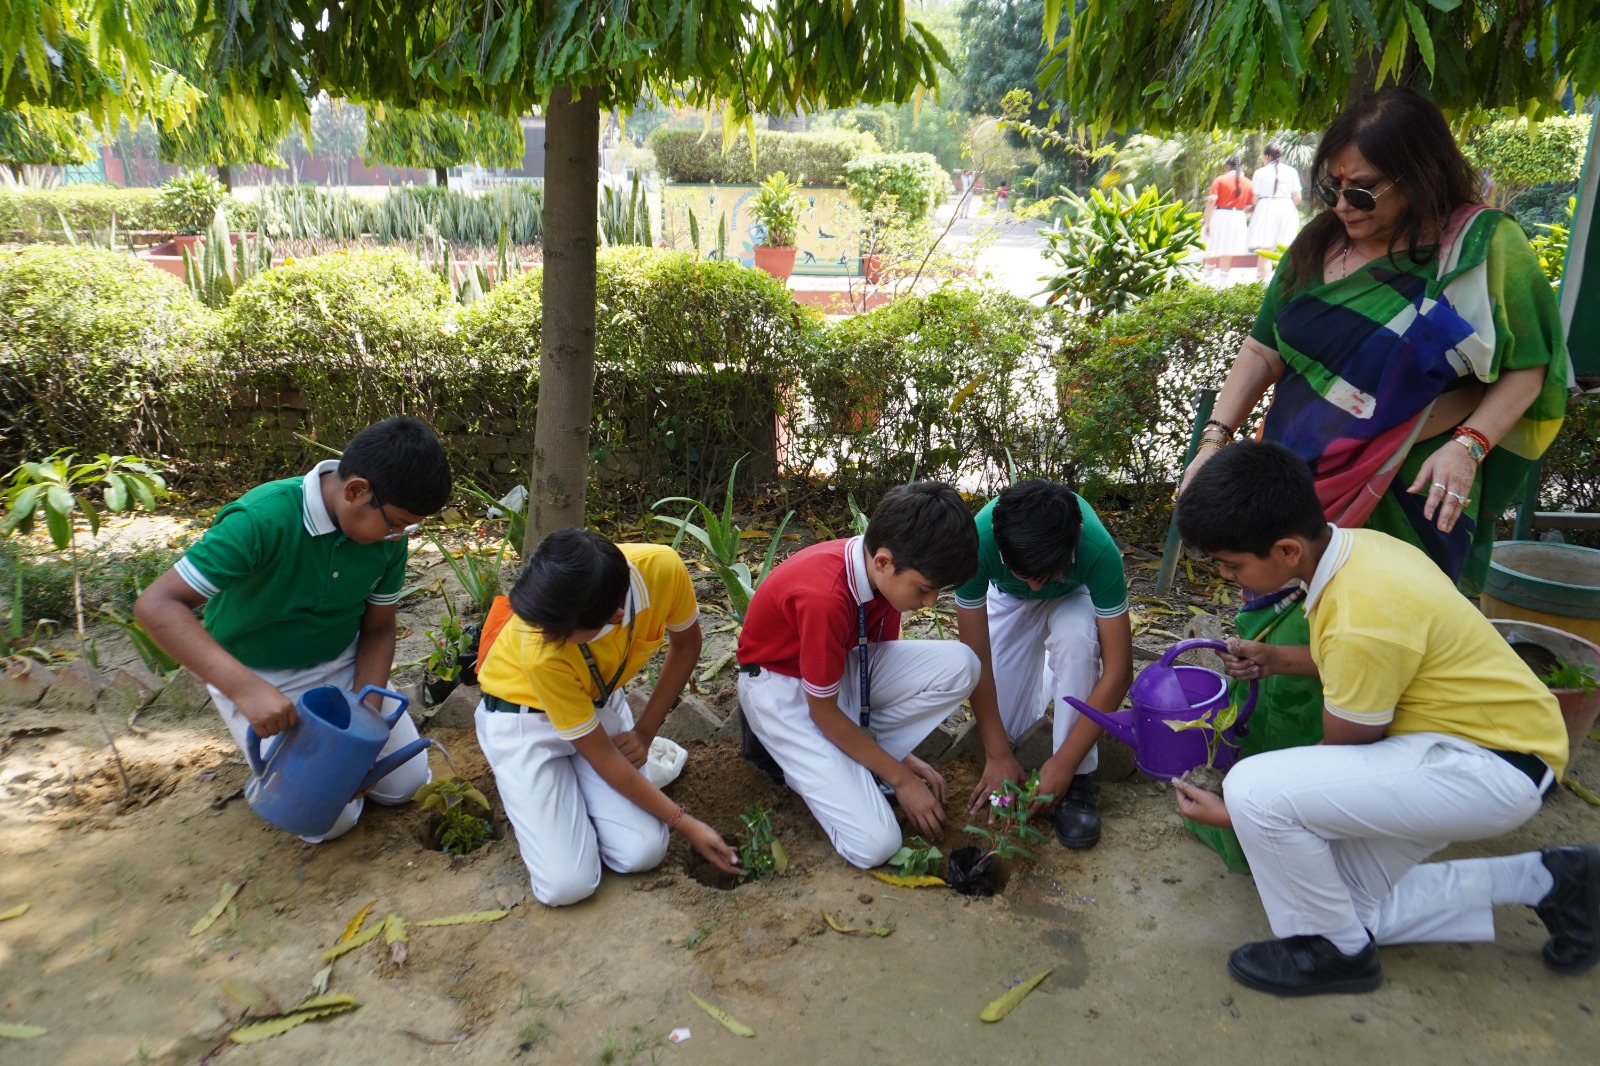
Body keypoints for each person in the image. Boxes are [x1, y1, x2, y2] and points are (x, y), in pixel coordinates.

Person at [1177, 87, 1570, 871]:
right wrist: (1215, 439)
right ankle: (1266, 804)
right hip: (1294, 479)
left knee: (1369, 653)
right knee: (1274, 638)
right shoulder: (1317, 244)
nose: (1343, 205)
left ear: (1420, 176)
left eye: (1363, 191)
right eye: (1333, 185)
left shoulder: (1480, 249)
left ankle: (1324, 823)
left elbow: (1529, 369)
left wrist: (1469, 445)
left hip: (1409, 492)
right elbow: (1263, 348)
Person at [1173, 440, 1598, 996]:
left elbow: (1342, 751)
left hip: (1488, 766)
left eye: (1233, 565)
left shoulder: (1360, 615)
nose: (1228, 576)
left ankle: (1335, 954)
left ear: (1287, 550)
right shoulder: (1360, 550)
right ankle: (1555, 879)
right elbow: (1370, 658)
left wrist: (1240, 817)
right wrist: (1276, 659)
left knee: (1254, 789)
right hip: (1483, 743)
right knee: (1346, 908)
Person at [136, 416, 452, 841]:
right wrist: (246, 690)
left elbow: (378, 630)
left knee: (404, 786)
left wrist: (366, 713)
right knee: (329, 821)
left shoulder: (385, 539)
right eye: (396, 523)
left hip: (345, 668)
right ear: (356, 491)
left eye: (408, 528)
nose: (400, 537)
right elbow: (157, 605)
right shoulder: (262, 520)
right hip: (263, 678)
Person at [474, 529, 740, 906]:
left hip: (595, 705)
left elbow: (686, 645)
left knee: (643, 852)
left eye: (560, 631)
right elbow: (602, 756)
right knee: (568, 886)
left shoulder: (662, 569)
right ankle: (540, 789)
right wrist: (686, 823)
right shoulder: (541, 644)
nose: (541, 632)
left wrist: (644, 732)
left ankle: (569, 795)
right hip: (524, 721)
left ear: (614, 618)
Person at [736, 482, 981, 869]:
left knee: (963, 666)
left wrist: (903, 759)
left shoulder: (883, 576)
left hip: (839, 671)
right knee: (877, 844)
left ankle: (856, 768)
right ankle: (811, 769)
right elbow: (823, 712)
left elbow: (873, 667)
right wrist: (901, 778)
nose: (931, 602)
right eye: (925, 588)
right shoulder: (825, 597)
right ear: (883, 562)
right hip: (781, 686)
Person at [953, 481, 1132, 849]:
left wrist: (1064, 763)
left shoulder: (1098, 551)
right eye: (1025, 574)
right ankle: (1052, 670)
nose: (1036, 587)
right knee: (1010, 728)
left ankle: (1080, 780)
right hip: (1006, 598)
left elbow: (1119, 672)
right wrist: (998, 753)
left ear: (1077, 536)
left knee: (1076, 642)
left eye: (1044, 575)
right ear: (997, 538)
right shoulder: (976, 543)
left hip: (1072, 596)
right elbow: (976, 659)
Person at [1245, 143, 1302, 279]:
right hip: (1287, 208)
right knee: (1287, 248)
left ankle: (1263, 282)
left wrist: (1253, 207)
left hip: (1266, 208)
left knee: (1265, 250)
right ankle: (1287, 281)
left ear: (1266, 156)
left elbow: (1255, 199)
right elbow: (1297, 197)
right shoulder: (1291, 171)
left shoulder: (1260, 173)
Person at [1202, 157, 1254, 280]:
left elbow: (1212, 201)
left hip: (1220, 215)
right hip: (1238, 218)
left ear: (1227, 167)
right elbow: (1250, 206)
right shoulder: (1249, 183)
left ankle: (1208, 279)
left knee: (1212, 246)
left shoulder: (1220, 180)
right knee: (1228, 250)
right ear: (1242, 167)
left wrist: (1207, 222)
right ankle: (1223, 284)